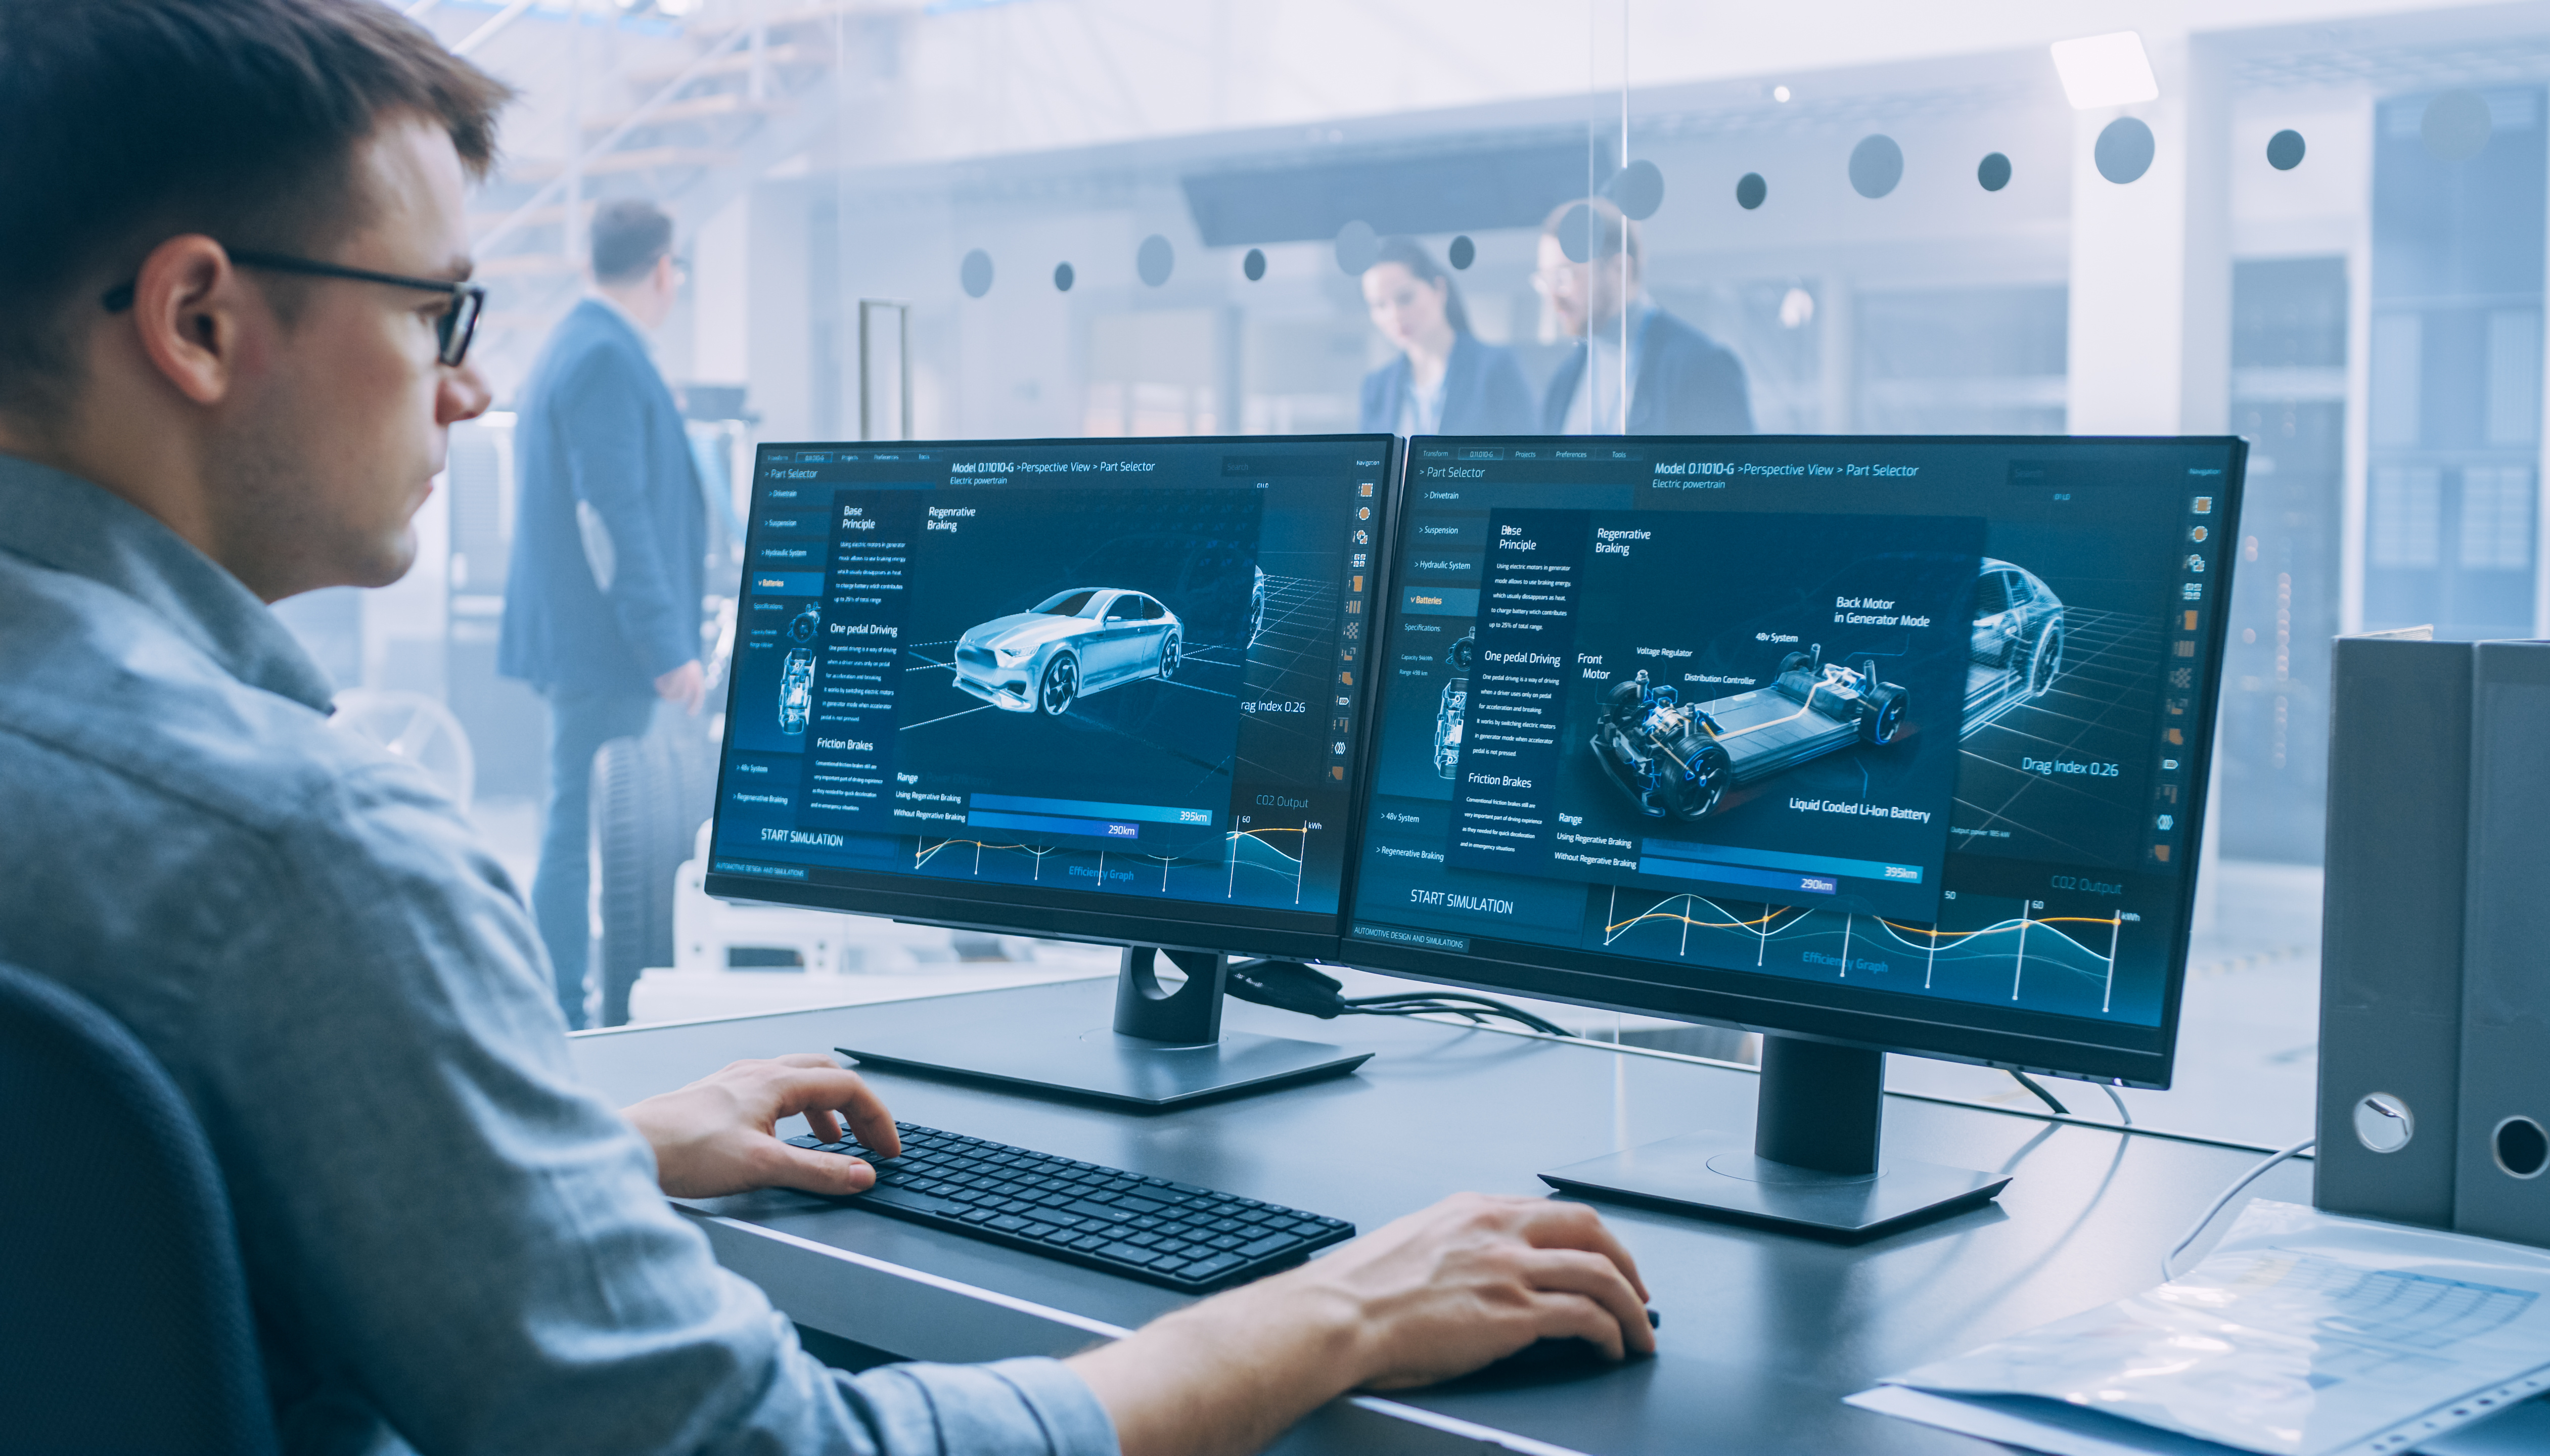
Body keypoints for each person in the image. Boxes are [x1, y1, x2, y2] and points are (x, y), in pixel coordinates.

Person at [0, 5, 1654, 1455]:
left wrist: (589, 1155)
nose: (470, 392)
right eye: (438, 313)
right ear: (198, 321)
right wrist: (1329, 1314)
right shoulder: (302, 860)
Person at [499, 198, 707, 1029]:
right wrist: (665, 642)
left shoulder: (577, 344)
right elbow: (611, 515)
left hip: (584, 639)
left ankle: (569, 1000)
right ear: (662, 269)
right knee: (585, 824)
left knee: (573, 815)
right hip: (604, 645)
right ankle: (569, 1008)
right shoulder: (605, 357)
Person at [1535, 197, 1754, 436]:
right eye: (1546, 281)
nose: (1553, 298)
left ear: (1619, 271)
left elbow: (1729, 471)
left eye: (1563, 277)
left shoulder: (1701, 367)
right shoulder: (1563, 383)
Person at [1357, 237, 1535, 435]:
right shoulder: (1377, 387)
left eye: (1405, 298)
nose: (1394, 315)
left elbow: (1524, 455)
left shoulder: (1495, 367)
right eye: (1380, 305)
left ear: (1439, 289)